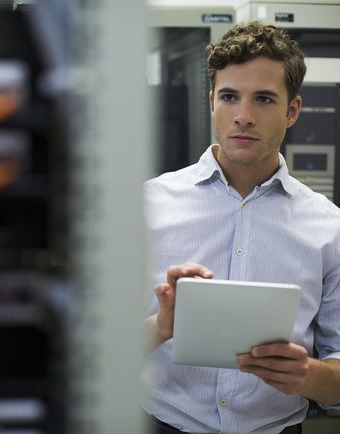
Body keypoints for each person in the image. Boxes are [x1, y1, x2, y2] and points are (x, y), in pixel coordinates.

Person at [143, 21, 340, 434]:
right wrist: (161, 327)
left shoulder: (330, 227)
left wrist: (308, 376)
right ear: (211, 101)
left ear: (292, 111)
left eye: (264, 99)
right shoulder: (148, 206)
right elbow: (96, 354)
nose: (244, 116)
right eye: (230, 97)